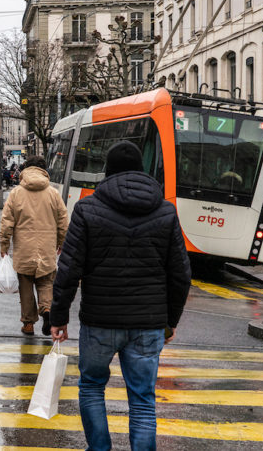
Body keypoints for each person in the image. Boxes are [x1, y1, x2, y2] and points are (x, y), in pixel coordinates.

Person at [50, 141, 191, 451]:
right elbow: (181, 273)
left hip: (99, 320)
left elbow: (69, 269)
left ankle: (99, 448)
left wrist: (58, 317)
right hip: (148, 323)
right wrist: (171, 320)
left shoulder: (87, 208)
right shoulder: (166, 211)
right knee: (142, 399)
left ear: (108, 171)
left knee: (91, 388)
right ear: (142, 170)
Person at [0, 156, 68, 335]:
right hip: (47, 247)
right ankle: (47, 310)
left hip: (24, 248)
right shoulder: (53, 193)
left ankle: (28, 324)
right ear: (44, 170)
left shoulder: (16, 193)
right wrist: (61, 241)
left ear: (26, 169)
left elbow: (6, 223)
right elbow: (63, 221)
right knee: (46, 282)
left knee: (26, 285)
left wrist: (4, 245)